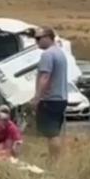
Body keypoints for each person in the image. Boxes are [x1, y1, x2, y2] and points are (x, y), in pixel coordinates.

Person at [31, 27, 68, 160]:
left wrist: (37, 97)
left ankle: (54, 160)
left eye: (38, 38)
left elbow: (45, 77)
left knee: (51, 133)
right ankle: (54, 158)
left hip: (50, 99)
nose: (36, 42)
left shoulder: (47, 55)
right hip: (61, 98)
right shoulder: (60, 53)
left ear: (48, 37)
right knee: (55, 132)